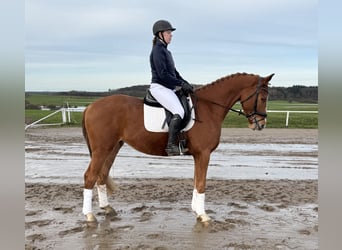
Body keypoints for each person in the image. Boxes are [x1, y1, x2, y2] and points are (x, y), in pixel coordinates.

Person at [149, 19, 194, 156]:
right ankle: (170, 146)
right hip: (160, 87)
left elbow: (174, 73)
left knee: (188, 105)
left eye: (170, 33)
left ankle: (181, 140)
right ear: (160, 34)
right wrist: (180, 84)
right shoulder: (157, 51)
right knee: (179, 111)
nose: (171, 35)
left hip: (169, 88)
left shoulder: (167, 52)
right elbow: (163, 75)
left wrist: (185, 82)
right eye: (168, 32)